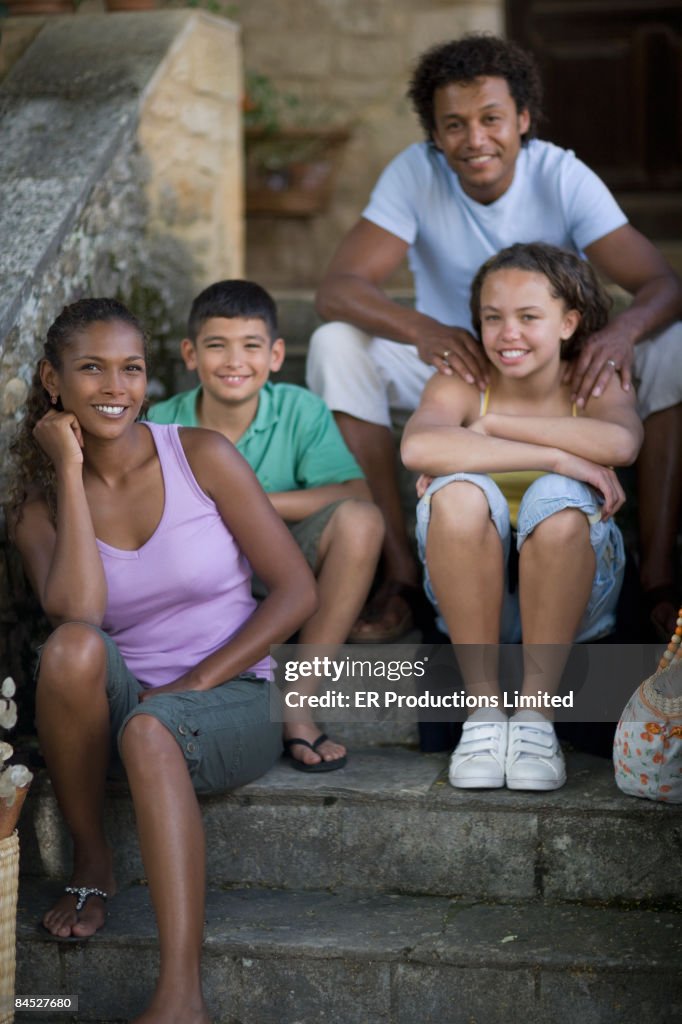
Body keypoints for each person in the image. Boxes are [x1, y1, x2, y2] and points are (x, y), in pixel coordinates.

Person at [307, 33, 682, 643]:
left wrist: (620, 334)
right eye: (453, 125)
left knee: (672, 343)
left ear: (523, 120)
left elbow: (661, 284)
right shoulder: (413, 173)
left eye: (491, 119)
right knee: (334, 345)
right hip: (458, 363)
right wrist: (424, 329)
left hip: (557, 368)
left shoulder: (561, 174)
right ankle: (401, 574)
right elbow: (338, 291)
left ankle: (660, 571)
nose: (474, 139)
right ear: (433, 133)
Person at [7, 298, 318, 1024]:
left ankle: (181, 998)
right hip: (119, 711)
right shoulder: (38, 504)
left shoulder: (200, 453)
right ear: (54, 382)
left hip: (231, 697)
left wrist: (191, 683)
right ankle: (92, 860)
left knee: (153, 728)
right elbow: (79, 614)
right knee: (73, 649)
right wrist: (70, 470)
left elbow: (297, 590)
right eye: (92, 369)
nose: (116, 386)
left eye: (132, 368)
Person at [401, 242, 643, 790]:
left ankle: (536, 719)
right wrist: (552, 453)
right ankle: (484, 716)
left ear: (568, 322)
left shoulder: (592, 382)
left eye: (529, 317)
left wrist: (489, 430)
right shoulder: (464, 381)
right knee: (459, 494)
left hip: (574, 597)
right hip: (470, 598)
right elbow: (418, 448)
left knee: (556, 500)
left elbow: (620, 442)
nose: (508, 333)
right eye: (493, 318)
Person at [147, 280, 384, 771]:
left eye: (251, 346)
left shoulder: (300, 410)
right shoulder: (160, 424)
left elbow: (354, 493)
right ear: (190, 354)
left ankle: (296, 703)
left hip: (281, 569)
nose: (235, 361)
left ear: (276, 354)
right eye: (217, 345)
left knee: (361, 522)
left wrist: (251, 503)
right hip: (198, 579)